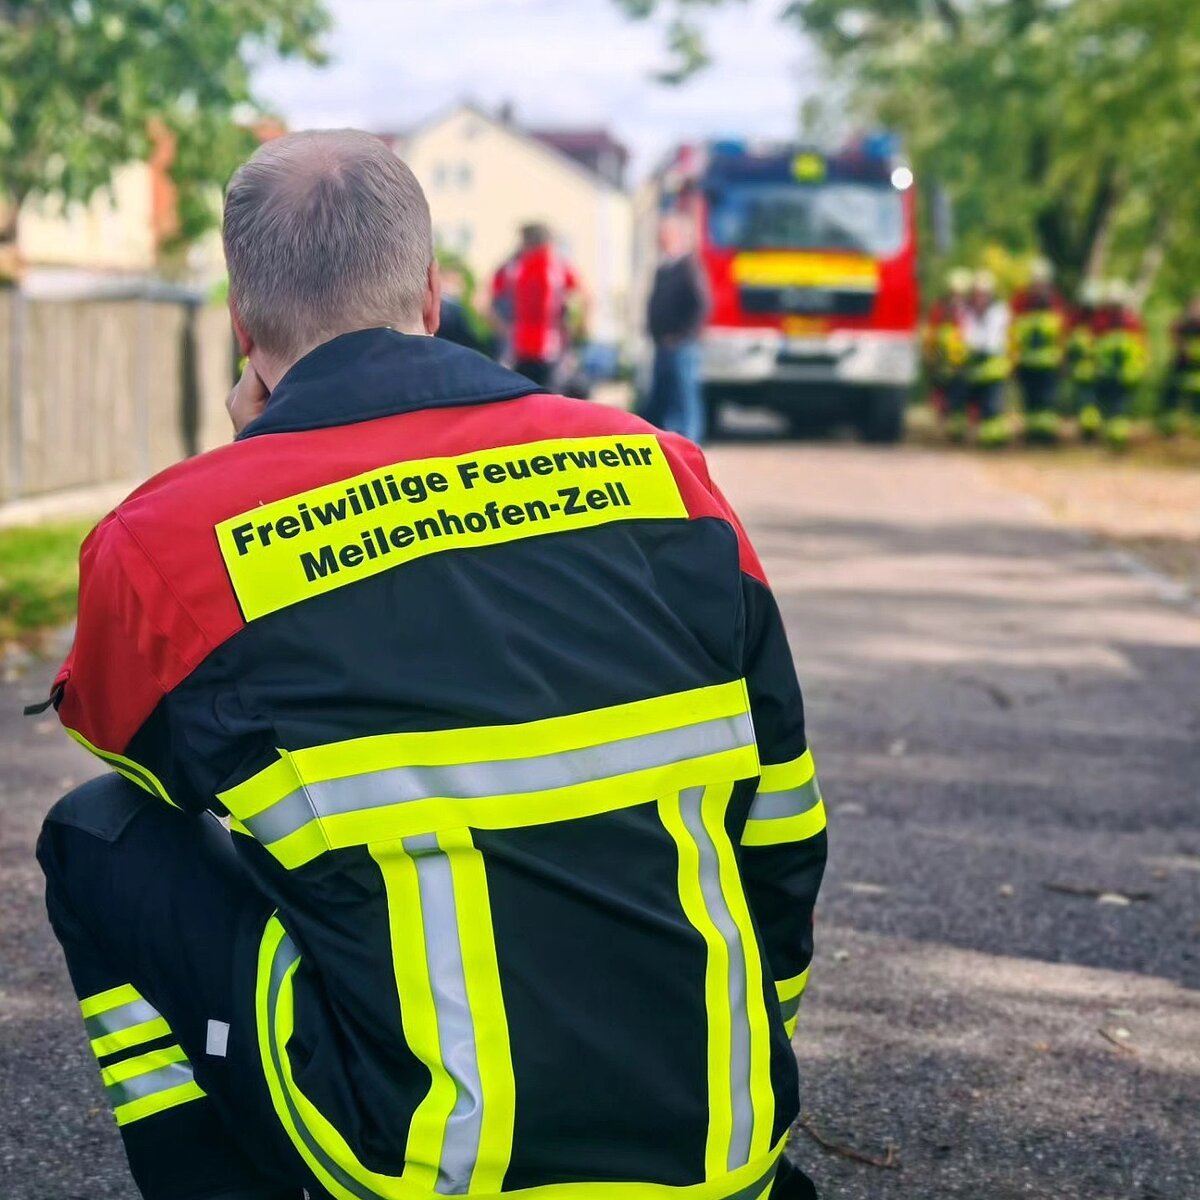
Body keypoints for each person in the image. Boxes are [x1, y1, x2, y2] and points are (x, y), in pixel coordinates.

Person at [35, 130, 827, 1200]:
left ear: (240, 324)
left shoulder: (164, 543)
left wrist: (247, 472)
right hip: (724, 1145)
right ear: (434, 294)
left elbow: (140, 760)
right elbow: (782, 832)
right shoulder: (666, 476)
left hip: (425, 1164)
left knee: (96, 833)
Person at [490, 222, 584, 389]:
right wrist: (577, 328)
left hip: (517, 349)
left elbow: (485, 303)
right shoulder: (559, 268)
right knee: (550, 395)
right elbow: (584, 298)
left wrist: (501, 328)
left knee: (519, 395)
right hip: (552, 349)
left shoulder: (511, 268)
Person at [643, 212, 711, 443]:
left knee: (684, 395)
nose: (659, 238)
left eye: (664, 234)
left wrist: (683, 335)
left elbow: (700, 303)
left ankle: (689, 441)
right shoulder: (664, 267)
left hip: (681, 344)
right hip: (662, 342)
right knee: (663, 395)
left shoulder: (688, 267)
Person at [1010, 258, 1066, 442]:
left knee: (1047, 402)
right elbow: (1012, 334)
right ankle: (1033, 434)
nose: (1038, 287)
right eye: (1036, 282)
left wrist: (1062, 358)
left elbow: (1062, 333)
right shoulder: (1020, 301)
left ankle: (1047, 434)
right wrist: (1013, 360)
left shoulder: (1055, 302)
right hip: (1026, 363)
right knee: (1031, 402)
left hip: (1049, 363)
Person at [1093, 280, 1147, 447]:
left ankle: (1115, 435)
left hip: (1117, 373)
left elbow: (1139, 347)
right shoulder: (1129, 319)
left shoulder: (1108, 320)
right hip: (1114, 372)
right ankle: (1114, 434)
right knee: (1114, 405)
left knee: (1115, 405)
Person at [963, 269, 1011, 445]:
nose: (980, 299)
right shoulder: (968, 313)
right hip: (976, 372)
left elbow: (991, 343)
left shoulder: (999, 312)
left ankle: (995, 438)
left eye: (983, 294)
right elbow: (967, 339)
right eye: (977, 294)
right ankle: (984, 436)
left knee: (993, 408)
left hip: (994, 371)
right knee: (978, 408)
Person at [923, 268, 971, 431]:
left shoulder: (969, 310)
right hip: (942, 361)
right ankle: (946, 421)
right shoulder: (940, 309)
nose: (956, 297)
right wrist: (930, 355)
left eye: (960, 293)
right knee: (943, 393)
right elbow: (931, 334)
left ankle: (960, 423)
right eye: (954, 293)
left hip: (963, 361)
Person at [1065, 278, 1102, 431]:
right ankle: (1089, 426)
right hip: (1085, 371)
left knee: (1091, 400)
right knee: (1087, 400)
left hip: (1098, 370)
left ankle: (1091, 425)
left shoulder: (1102, 319)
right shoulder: (1075, 319)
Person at [1161, 294, 1200, 434]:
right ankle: (1170, 424)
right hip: (1182, 362)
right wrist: (1182, 346)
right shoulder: (1182, 323)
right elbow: (1174, 333)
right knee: (1173, 390)